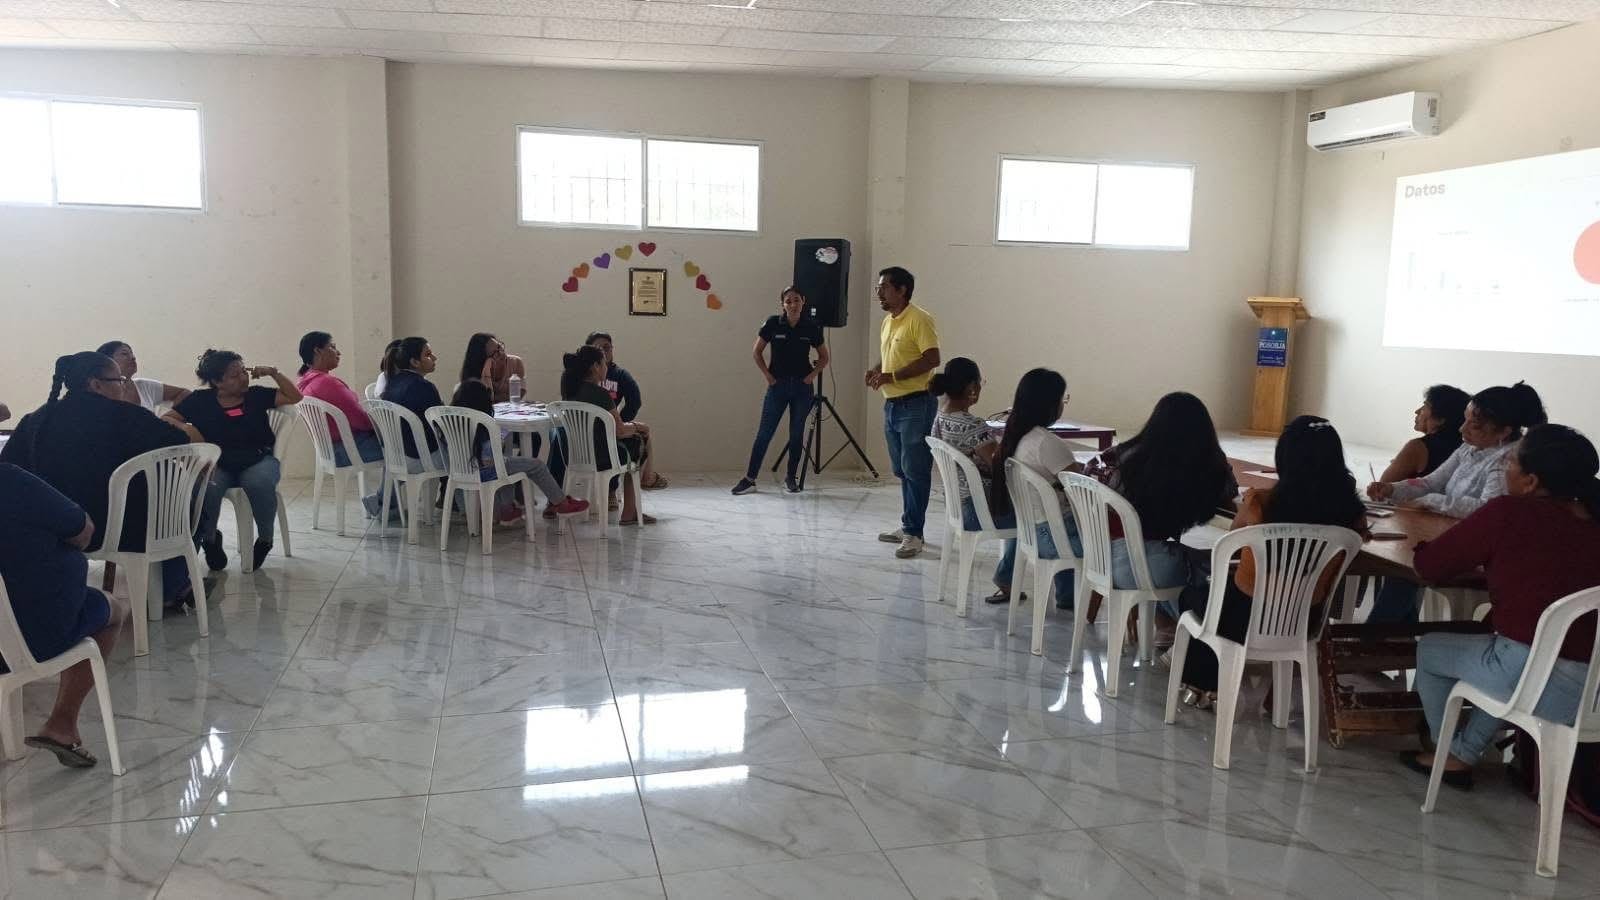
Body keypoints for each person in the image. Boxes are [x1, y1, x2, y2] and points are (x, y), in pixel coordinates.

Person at [1399, 424, 1600, 790]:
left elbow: (1430, 566)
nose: (1504, 466)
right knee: (1507, 652)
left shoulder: (1509, 513)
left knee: (1432, 649)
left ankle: (1449, 752)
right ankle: (1464, 753)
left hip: (1530, 679)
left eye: (1510, 461)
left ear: (1531, 481)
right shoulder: (1591, 520)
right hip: (1592, 695)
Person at [1173, 416, 1370, 709]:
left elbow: (1233, 538)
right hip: (1305, 620)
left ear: (1285, 458)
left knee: (1195, 596)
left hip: (1244, 616)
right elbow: (1357, 542)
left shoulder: (1261, 503)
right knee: (1217, 597)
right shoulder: (1353, 513)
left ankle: (1203, 684)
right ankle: (1208, 685)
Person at [2, 352, 203, 609]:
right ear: (96, 384)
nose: (124, 386)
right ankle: (172, 586)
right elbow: (179, 443)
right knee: (183, 498)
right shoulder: (125, 415)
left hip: (55, 527)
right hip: (120, 529)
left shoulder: (36, 419)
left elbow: (10, 469)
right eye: (119, 381)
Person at [1365, 381, 1547, 621]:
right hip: (1448, 533)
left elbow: (1488, 509)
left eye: (1474, 425)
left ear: (1503, 432)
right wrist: (1392, 489)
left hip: (1481, 550)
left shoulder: (1508, 461)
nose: (1462, 429)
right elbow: (1431, 482)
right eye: (1465, 420)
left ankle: (1376, 634)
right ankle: (1391, 634)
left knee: (1410, 568)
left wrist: (1432, 501)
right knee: (1404, 570)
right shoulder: (1469, 448)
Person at [0, 463, 130, 769]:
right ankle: (62, 724)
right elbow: (83, 532)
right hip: (32, 634)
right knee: (113, 609)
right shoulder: (11, 481)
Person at [165, 349, 301, 572]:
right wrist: (188, 429)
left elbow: (295, 397)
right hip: (218, 463)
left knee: (258, 482)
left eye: (244, 372)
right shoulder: (199, 400)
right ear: (217, 381)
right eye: (235, 375)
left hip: (257, 458)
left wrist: (274, 373)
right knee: (207, 487)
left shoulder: (256, 395)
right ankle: (210, 539)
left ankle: (265, 539)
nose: (244, 378)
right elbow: (168, 418)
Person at [866, 266, 941, 559]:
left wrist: (892, 376)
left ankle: (914, 533)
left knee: (916, 470)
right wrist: (876, 370)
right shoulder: (888, 321)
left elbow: (932, 358)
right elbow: (889, 355)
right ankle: (908, 524)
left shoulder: (919, 319)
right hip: (892, 404)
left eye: (884, 288)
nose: (879, 293)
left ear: (902, 290)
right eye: (878, 288)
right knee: (901, 469)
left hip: (916, 404)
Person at [988, 369, 1078, 605]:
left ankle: (1068, 596)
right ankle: (1078, 598)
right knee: (1108, 534)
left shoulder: (1014, 436)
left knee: (1059, 513)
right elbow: (1081, 490)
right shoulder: (1047, 443)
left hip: (1030, 532)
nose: (1063, 404)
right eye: (1062, 398)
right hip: (1054, 539)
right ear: (1050, 404)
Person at [732, 287, 830, 496]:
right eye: (788, 301)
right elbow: (757, 352)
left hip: (802, 388)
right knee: (764, 433)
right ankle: (750, 479)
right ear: (783, 304)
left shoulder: (811, 327)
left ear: (803, 301)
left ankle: (790, 477)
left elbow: (824, 357)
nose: (793, 305)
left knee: (796, 434)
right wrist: (768, 376)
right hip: (778, 386)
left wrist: (811, 376)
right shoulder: (773, 323)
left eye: (796, 300)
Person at [929, 358, 1012, 601]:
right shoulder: (972, 425)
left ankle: (1008, 578)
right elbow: (999, 465)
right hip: (977, 510)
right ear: (971, 388)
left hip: (958, 505)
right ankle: (1008, 579)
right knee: (1033, 518)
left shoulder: (939, 417)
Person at [449, 381, 589, 525]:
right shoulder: (481, 423)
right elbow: (490, 455)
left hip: (463, 471)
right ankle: (561, 503)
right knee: (537, 466)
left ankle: (507, 509)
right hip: (488, 470)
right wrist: (502, 433)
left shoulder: (452, 420)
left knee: (507, 463)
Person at [296, 331, 388, 517]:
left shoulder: (305, 381)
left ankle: (386, 502)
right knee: (401, 449)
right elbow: (362, 420)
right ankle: (384, 504)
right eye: (332, 347)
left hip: (330, 451)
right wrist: (383, 426)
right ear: (318, 351)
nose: (338, 352)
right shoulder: (327, 383)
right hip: (348, 451)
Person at [559, 345, 653, 525]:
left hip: (573, 455)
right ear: (595, 366)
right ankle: (630, 511)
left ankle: (648, 480)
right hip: (602, 457)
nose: (606, 367)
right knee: (640, 442)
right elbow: (620, 430)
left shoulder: (569, 391)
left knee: (636, 442)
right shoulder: (600, 394)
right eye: (604, 363)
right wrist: (638, 426)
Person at [587, 331, 666, 491]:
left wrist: (619, 422)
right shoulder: (581, 379)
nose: (604, 352)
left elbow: (634, 402)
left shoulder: (620, 374)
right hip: (586, 433)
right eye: (598, 349)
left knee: (637, 435)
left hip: (611, 429)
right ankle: (646, 479)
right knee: (640, 436)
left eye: (607, 348)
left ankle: (638, 481)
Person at [1379, 384, 1471, 482]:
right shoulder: (1467, 448)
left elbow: (1382, 488)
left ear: (1440, 419)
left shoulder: (1417, 447)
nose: (1417, 411)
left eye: (1425, 406)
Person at [380, 337, 445, 470]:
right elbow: (441, 424)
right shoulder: (424, 386)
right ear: (414, 362)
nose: (434, 358)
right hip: (422, 458)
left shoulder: (391, 383)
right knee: (464, 452)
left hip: (396, 456)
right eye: (428, 355)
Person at [96, 340, 190, 413]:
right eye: (124, 354)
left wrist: (171, 417)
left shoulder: (144, 386)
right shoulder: (100, 391)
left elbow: (184, 393)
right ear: (108, 361)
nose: (133, 357)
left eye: (132, 354)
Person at [460, 332, 527, 404]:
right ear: (483, 359)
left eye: (499, 346)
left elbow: (520, 393)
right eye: (495, 353)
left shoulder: (515, 362)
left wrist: (497, 399)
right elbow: (485, 400)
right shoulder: (477, 371)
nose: (501, 353)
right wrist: (486, 373)